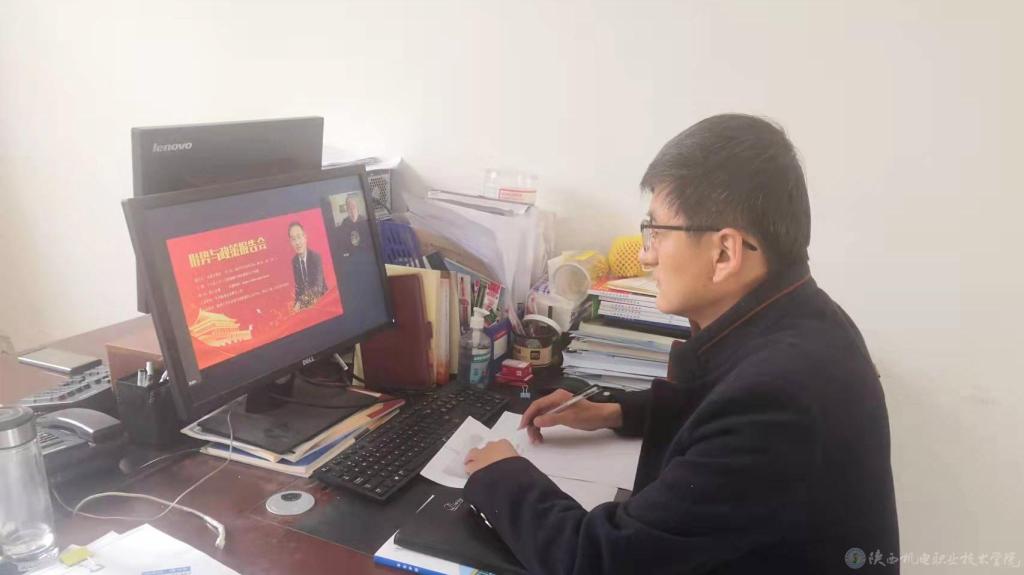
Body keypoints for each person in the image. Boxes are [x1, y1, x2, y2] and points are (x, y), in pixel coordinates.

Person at [463, 114, 899, 574]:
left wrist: (501, 475)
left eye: (656, 232)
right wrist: (616, 411)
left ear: (724, 253)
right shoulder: (802, 317)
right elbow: (717, 406)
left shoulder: (778, 399)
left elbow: (601, 562)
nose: (645, 254)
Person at [288, 222, 326, 310]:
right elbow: (299, 288)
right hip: (306, 306)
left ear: (305, 237)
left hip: (322, 301)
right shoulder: (295, 261)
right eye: (293, 239)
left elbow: (318, 287)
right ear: (291, 242)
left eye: (299, 237)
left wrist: (300, 303)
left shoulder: (316, 257)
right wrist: (295, 306)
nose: (297, 242)